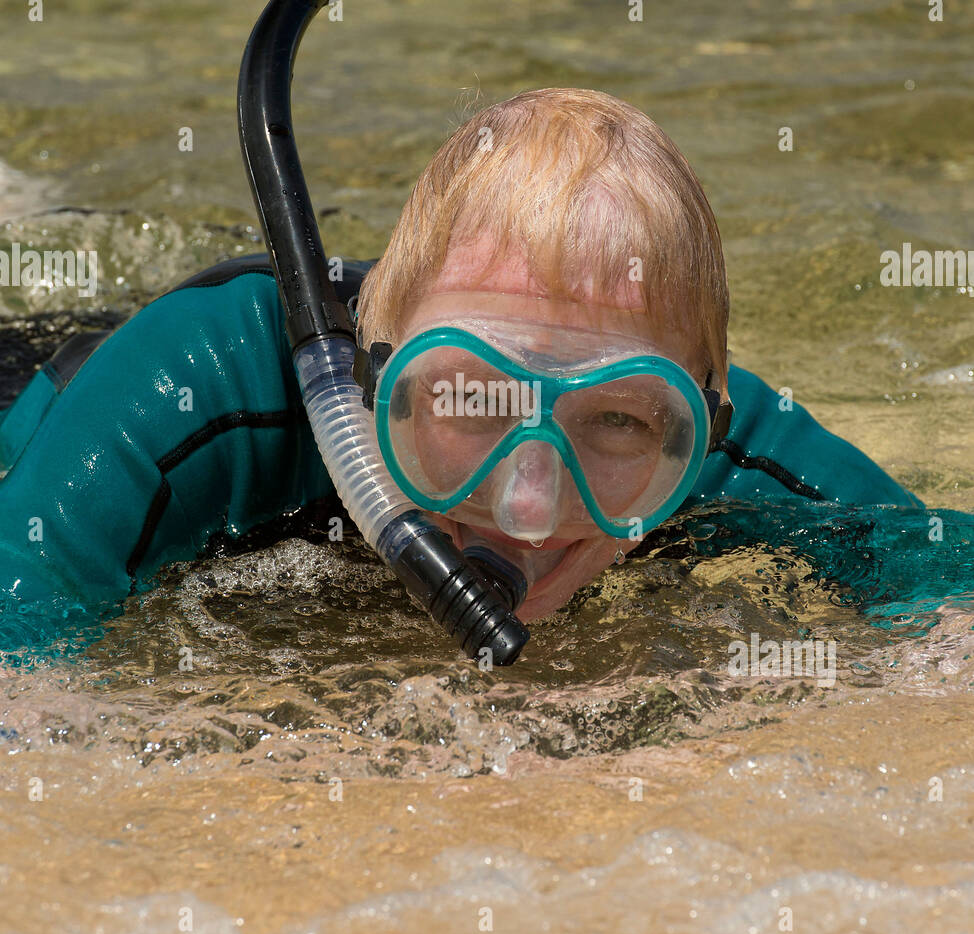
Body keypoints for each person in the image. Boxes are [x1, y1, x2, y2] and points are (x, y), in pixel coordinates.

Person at [0, 88, 967, 656]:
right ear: (371, 379)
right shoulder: (201, 388)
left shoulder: (702, 438)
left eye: (618, 425)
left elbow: (942, 584)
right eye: (473, 398)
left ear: (699, 426)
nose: (530, 510)